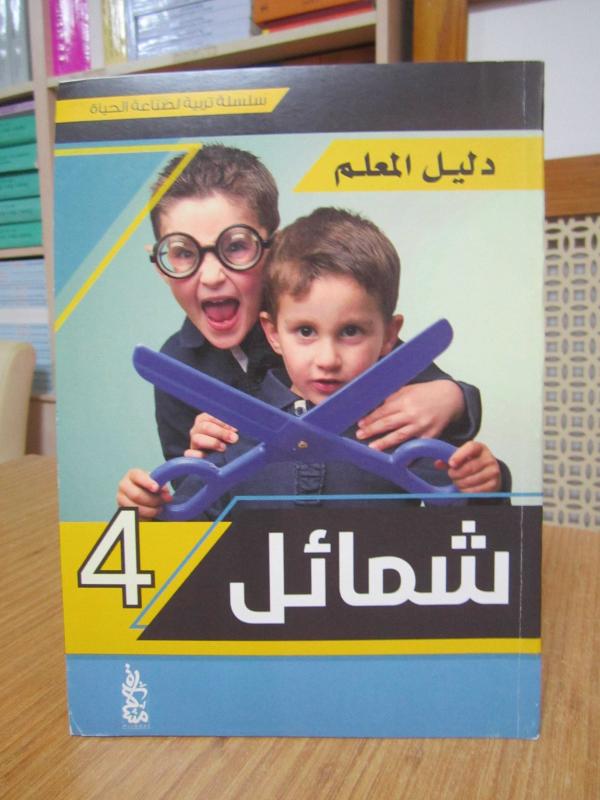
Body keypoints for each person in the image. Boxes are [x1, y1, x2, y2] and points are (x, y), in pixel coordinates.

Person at [118, 207, 509, 519]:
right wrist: (146, 508)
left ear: (389, 337)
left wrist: (485, 483)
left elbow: (471, 523)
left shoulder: (396, 429)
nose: (327, 360)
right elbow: (180, 535)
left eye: (351, 331)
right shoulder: (229, 432)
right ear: (273, 333)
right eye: (305, 331)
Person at [144, 145, 480, 467]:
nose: (211, 276)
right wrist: (196, 457)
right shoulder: (172, 368)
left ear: (272, 247)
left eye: (235, 247)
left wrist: (454, 399)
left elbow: (415, 375)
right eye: (183, 252)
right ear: (159, 264)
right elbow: (187, 483)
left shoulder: (315, 318)